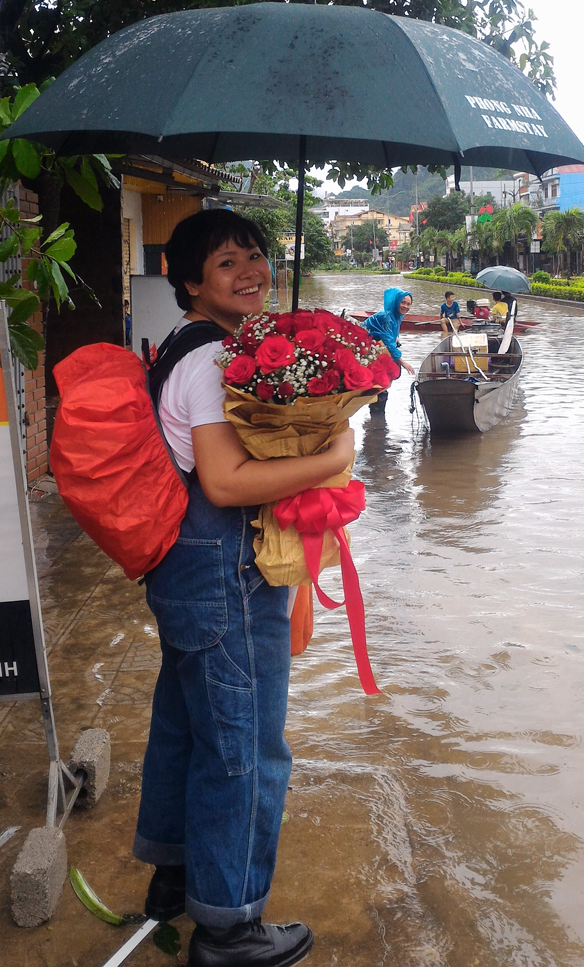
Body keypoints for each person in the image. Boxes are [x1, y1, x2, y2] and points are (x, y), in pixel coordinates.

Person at [134, 210, 353, 967]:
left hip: (189, 575)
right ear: (190, 280)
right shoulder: (209, 362)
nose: (250, 271)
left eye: (256, 256)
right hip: (224, 578)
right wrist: (333, 456)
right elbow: (226, 483)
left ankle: (175, 878)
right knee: (248, 749)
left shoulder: (195, 349)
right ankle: (228, 929)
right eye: (228, 262)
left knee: (189, 728)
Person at [363, 288, 415, 376]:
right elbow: (388, 341)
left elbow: (394, 329)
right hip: (365, 340)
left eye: (408, 304)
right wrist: (403, 362)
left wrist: (396, 337)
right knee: (394, 369)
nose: (405, 306)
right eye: (402, 302)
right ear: (397, 302)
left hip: (376, 339)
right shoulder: (387, 317)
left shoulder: (396, 314)